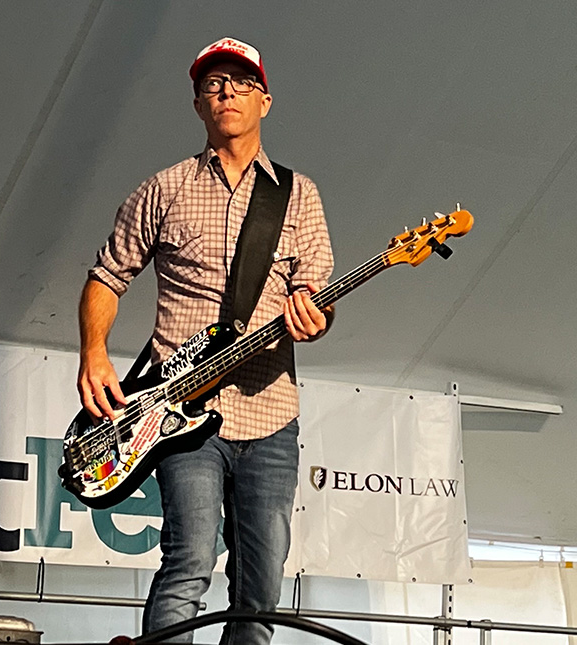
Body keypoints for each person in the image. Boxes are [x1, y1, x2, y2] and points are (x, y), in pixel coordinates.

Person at [76, 37, 334, 644]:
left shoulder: (299, 195)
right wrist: (93, 353)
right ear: (197, 104)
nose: (226, 93)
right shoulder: (162, 189)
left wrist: (311, 315)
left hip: (271, 415)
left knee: (261, 589)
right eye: (213, 84)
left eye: (241, 83)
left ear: (265, 101)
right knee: (188, 562)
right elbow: (106, 276)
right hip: (179, 409)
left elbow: (314, 294)